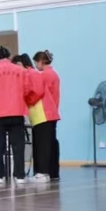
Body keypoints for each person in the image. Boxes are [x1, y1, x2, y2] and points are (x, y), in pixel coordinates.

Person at [0, 47, 32, 183]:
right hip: (16, 111)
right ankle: (19, 175)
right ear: (10, 57)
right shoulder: (21, 71)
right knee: (18, 146)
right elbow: (27, 90)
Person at [32, 50, 61, 182]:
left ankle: (43, 172)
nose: (35, 66)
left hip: (44, 113)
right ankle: (53, 172)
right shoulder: (54, 74)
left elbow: (38, 93)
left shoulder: (44, 75)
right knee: (51, 143)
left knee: (43, 144)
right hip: (53, 113)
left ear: (41, 61)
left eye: (36, 62)